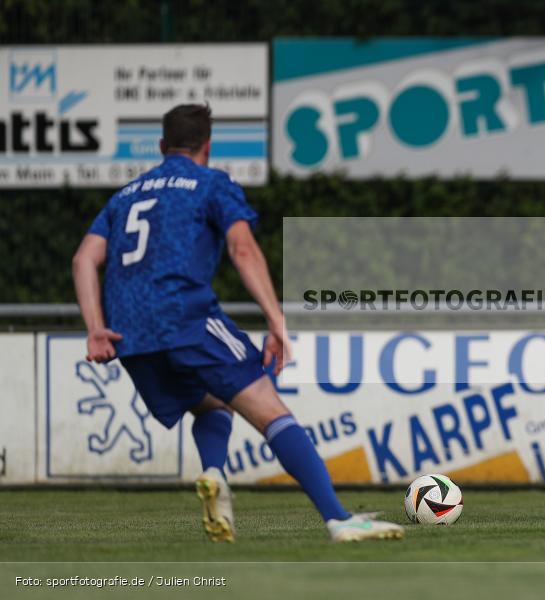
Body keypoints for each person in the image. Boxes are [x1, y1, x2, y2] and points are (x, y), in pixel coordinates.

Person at [72, 103, 403, 543]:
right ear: (208, 146)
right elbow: (242, 250)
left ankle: (214, 476)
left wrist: (96, 328)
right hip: (185, 317)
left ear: (160, 146)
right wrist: (276, 318)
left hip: (131, 334)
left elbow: (83, 259)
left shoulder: (124, 196)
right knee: (271, 411)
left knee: (212, 404)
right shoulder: (211, 183)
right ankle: (339, 520)